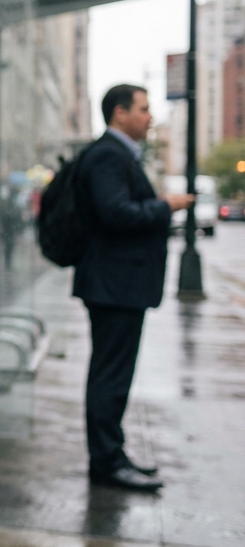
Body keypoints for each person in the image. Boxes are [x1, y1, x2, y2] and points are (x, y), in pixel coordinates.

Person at [73, 84, 193, 491]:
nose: (149, 116)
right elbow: (116, 213)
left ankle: (111, 455)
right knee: (110, 376)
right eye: (143, 109)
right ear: (119, 113)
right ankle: (106, 462)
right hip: (113, 285)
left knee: (114, 374)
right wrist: (166, 206)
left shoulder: (116, 153)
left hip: (117, 284)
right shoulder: (109, 154)